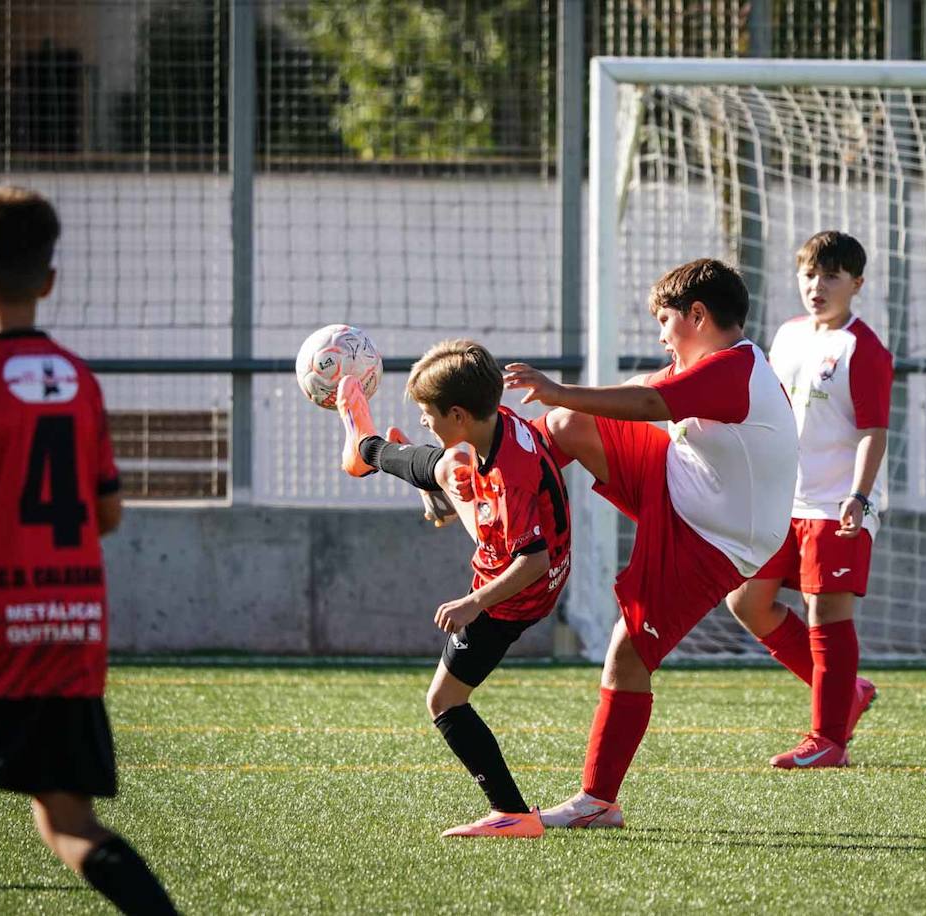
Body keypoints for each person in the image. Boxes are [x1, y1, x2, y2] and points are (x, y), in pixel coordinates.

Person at [0, 187, 178, 913]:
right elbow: (106, 512)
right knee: (68, 822)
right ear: (49, 282)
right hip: (68, 626)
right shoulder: (79, 383)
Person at [503, 258, 798, 828]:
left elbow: (645, 405)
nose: (662, 336)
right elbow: (642, 390)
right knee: (566, 425)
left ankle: (597, 802)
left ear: (697, 314)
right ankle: (498, 487)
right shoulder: (720, 364)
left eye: (665, 321)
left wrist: (556, 387)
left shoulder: (732, 372)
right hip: (682, 486)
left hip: (715, 540)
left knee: (628, 653)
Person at [336, 338, 572, 837]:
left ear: (460, 414)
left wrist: (473, 603)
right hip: (526, 561)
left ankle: (512, 813)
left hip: (516, 593)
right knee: (449, 470)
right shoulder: (501, 422)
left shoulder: (511, 479)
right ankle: (382, 455)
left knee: (444, 702)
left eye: (429, 413)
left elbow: (532, 561)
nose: (426, 419)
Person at [725, 231, 889, 768]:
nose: (816, 286)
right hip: (781, 500)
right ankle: (849, 693)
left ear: (857, 284)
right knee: (746, 601)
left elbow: (873, 431)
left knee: (825, 614)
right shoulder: (788, 335)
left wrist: (859, 497)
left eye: (831, 276)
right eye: (808, 274)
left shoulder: (861, 348)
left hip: (836, 504)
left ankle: (828, 740)